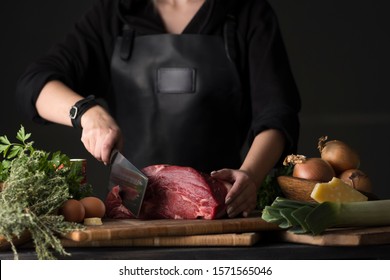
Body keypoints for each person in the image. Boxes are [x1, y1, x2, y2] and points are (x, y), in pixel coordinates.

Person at [16, 0, 301, 218]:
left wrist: (250, 175)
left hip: (221, 210)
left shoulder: (247, 11)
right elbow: (35, 84)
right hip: (132, 214)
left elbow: (277, 112)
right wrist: (88, 113)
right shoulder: (116, 12)